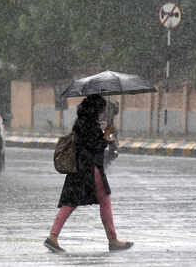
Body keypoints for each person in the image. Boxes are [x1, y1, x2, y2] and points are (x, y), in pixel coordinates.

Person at [44, 94, 133, 252]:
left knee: (70, 203)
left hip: (79, 168)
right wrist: (106, 136)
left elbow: (89, 143)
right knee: (104, 200)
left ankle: (53, 236)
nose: (102, 111)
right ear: (96, 109)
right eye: (101, 108)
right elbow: (95, 146)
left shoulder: (81, 122)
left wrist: (104, 134)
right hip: (90, 169)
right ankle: (113, 240)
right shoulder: (90, 124)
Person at [99, 98, 120, 168]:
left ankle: (106, 161)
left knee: (113, 149)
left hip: (109, 130)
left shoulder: (111, 105)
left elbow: (116, 111)